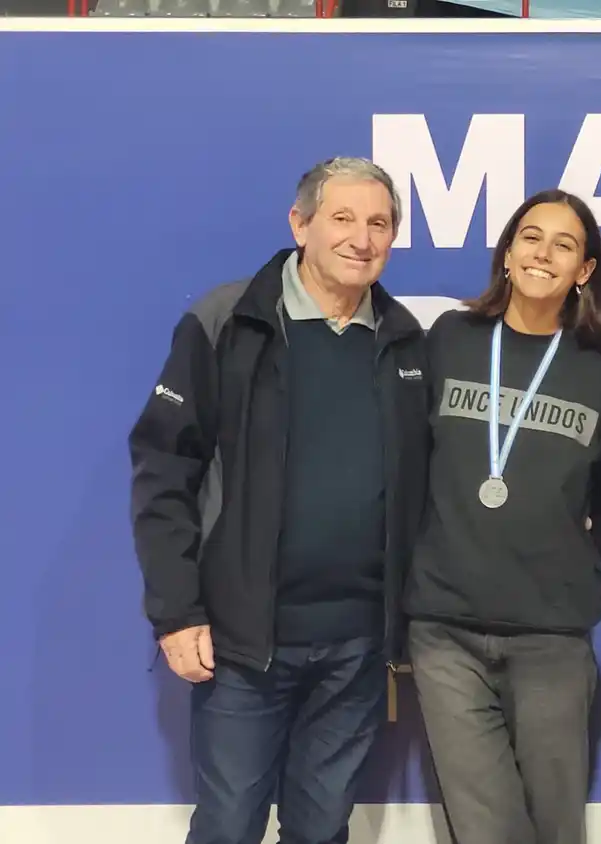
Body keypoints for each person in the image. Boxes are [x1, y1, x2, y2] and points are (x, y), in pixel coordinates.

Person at [126, 156, 429, 844]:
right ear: (301, 224)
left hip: (356, 647)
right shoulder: (227, 322)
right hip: (242, 642)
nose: (362, 238)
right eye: (343, 218)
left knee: (322, 830)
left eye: (379, 223)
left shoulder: (407, 342)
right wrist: (176, 612)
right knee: (229, 826)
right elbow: (163, 468)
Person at [402, 189, 601, 844]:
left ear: (585, 271)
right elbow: (403, 461)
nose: (544, 253)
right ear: (507, 252)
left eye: (564, 244)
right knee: (488, 831)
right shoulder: (451, 340)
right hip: (445, 628)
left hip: (551, 633)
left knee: (554, 828)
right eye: (531, 237)